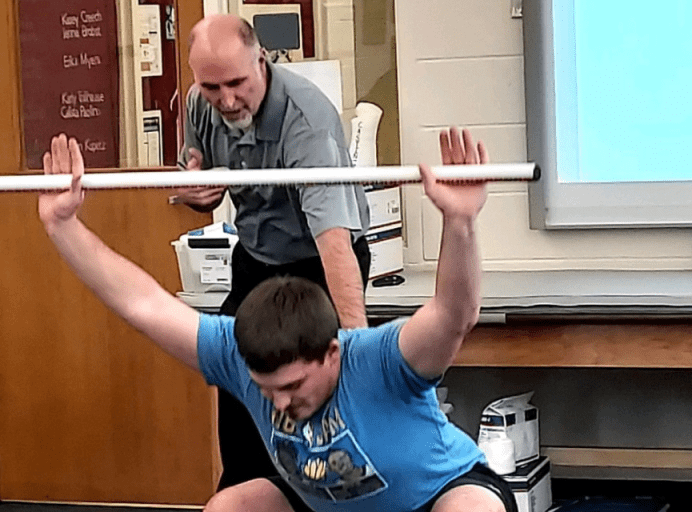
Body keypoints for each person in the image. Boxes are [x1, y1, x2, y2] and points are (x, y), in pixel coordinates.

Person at [38, 127, 518, 512]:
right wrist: (62, 226)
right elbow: (141, 304)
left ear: (332, 352)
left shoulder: (381, 359)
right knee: (230, 506)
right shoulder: (235, 352)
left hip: (436, 495)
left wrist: (459, 223)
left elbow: (455, 314)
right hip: (321, 499)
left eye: (292, 386)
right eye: (267, 390)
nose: (279, 403)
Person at [169, 14, 371, 498]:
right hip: (257, 256)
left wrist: (359, 354)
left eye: (237, 83)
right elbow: (192, 174)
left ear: (261, 60)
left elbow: (334, 243)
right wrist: (193, 188)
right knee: (236, 367)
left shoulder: (307, 122)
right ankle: (244, 490)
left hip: (319, 259)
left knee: (315, 378)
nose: (228, 100)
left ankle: (334, 493)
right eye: (213, 87)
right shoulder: (201, 102)